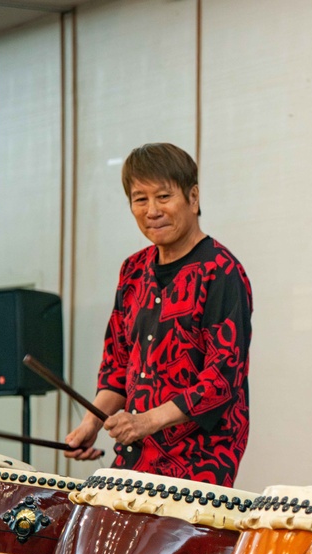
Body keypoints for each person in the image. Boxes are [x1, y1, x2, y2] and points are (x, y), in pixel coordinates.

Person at [65, 142, 253, 487]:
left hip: (198, 461)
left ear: (193, 198)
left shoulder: (220, 270)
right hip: (137, 454)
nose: (152, 210)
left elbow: (221, 380)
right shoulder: (132, 271)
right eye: (140, 199)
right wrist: (91, 423)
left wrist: (146, 421)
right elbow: (117, 367)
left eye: (164, 197)